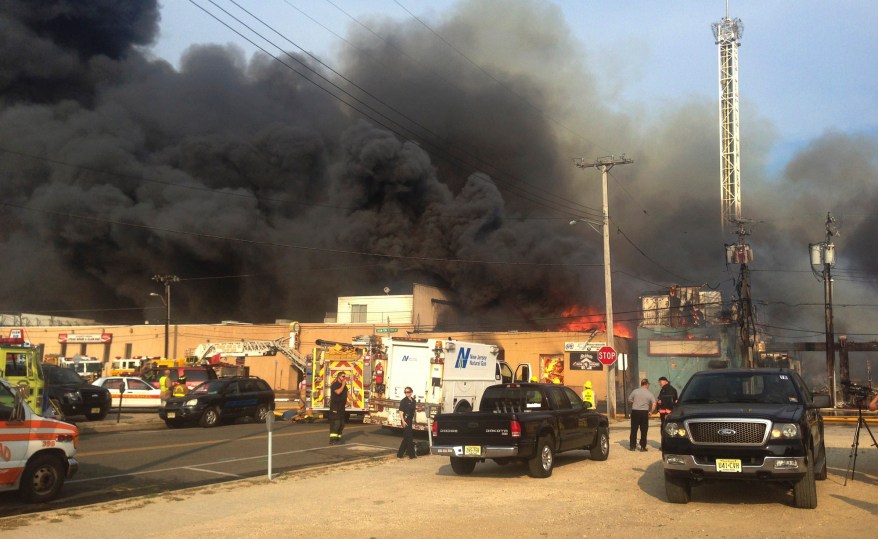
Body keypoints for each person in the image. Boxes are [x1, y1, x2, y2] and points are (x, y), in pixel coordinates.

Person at [628, 378, 656, 452]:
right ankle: (643, 447)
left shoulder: (635, 391)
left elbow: (629, 399)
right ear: (646, 384)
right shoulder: (649, 393)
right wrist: (651, 411)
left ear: (641, 384)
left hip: (635, 412)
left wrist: (635, 402)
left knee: (634, 429)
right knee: (644, 430)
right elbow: (654, 404)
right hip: (644, 413)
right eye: (648, 384)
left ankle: (632, 446)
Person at [397, 386, 417, 459]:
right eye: (405, 392)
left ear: (411, 392)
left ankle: (400, 454)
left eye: (408, 392)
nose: (406, 393)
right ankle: (412, 455)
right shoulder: (403, 401)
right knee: (409, 437)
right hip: (405, 420)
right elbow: (401, 412)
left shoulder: (413, 401)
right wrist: (403, 421)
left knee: (406, 438)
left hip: (410, 420)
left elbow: (413, 411)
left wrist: (414, 420)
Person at [328, 372, 348, 445]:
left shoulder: (344, 386)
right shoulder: (335, 385)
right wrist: (343, 385)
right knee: (336, 423)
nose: (344, 378)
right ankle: (332, 440)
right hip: (335, 407)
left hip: (341, 407)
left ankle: (338, 439)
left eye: (345, 376)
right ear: (338, 377)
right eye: (343, 376)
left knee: (342, 424)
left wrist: (353, 400)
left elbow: (347, 393)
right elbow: (338, 392)